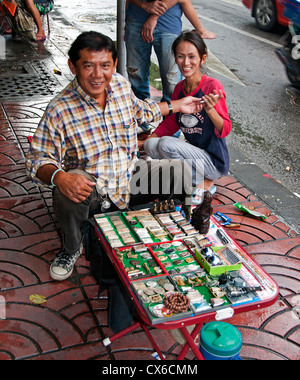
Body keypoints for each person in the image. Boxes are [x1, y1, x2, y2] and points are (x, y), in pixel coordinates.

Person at [26, 31, 203, 282]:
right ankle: (72, 247)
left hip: (129, 178)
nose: (98, 75)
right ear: (73, 67)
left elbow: (141, 111)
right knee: (67, 187)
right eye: (88, 66)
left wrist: (178, 105)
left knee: (180, 173)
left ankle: (172, 229)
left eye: (105, 65)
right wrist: (59, 177)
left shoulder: (119, 84)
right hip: (95, 191)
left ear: (114, 65)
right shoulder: (59, 108)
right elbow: (37, 159)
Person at [143, 30, 232, 205]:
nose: (186, 62)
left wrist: (211, 110)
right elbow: (171, 123)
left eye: (192, 57)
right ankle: (188, 181)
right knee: (151, 145)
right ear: (175, 58)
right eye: (180, 56)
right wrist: (144, 144)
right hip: (194, 157)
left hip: (213, 161)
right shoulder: (179, 88)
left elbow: (225, 129)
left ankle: (203, 183)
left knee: (166, 144)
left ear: (202, 58)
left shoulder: (212, 86)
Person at [125, 0, 216, 132]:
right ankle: (141, 126)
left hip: (168, 25)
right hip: (135, 19)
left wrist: (153, 16)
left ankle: (170, 132)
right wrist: (143, 7)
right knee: (136, 76)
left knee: (172, 84)